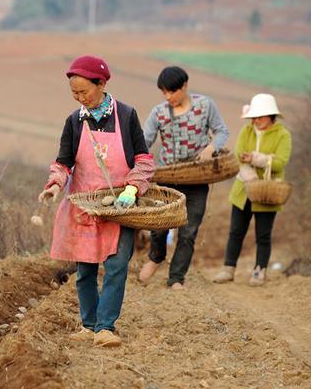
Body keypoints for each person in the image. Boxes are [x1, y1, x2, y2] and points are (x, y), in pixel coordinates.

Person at [37, 55, 154, 347]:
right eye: (74, 94)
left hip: (119, 207)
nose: (80, 98)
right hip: (84, 205)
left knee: (117, 265)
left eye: (84, 92)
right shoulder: (74, 122)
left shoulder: (126, 116)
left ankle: (106, 327)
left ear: (101, 84)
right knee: (86, 269)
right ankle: (88, 325)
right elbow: (63, 163)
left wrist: (133, 188)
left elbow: (143, 160)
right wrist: (54, 186)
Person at [139, 66, 229, 289]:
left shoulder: (205, 106)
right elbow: (144, 141)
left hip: (197, 178)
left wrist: (211, 148)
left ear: (185, 86)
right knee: (159, 225)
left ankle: (176, 277)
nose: (168, 97)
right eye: (164, 93)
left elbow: (222, 131)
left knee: (188, 232)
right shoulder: (159, 113)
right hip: (168, 176)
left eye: (172, 92)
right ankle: (156, 256)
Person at [213, 93, 291, 286]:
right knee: (236, 231)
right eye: (254, 117)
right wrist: (251, 174)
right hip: (243, 190)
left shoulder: (283, 135)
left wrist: (257, 158)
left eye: (260, 116)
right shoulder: (246, 131)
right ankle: (228, 268)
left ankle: (259, 271)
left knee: (263, 234)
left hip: (268, 192)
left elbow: (280, 162)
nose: (256, 120)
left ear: (271, 116)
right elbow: (239, 155)